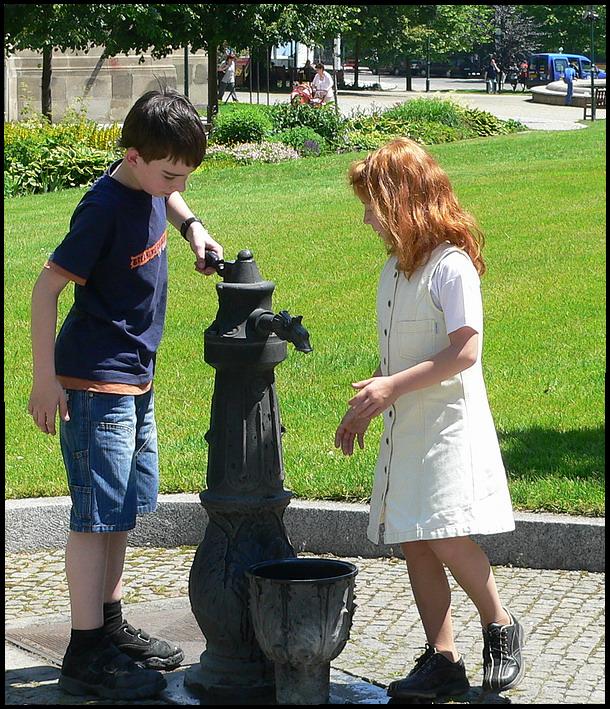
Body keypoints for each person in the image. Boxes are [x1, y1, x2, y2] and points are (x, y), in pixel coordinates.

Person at [27, 88, 224, 701]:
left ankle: (109, 627)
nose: (176, 186)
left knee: (122, 510)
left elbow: (169, 195)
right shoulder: (104, 208)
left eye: (185, 177)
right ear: (133, 157)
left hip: (136, 377)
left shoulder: (150, 186)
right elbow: (45, 289)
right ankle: (85, 651)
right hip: (95, 381)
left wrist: (192, 227)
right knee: (95, 518)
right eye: (169, 176)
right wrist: (44, 378)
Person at [334, 138, 525, 701]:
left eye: (372, 206)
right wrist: (367, 404)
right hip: (406, 427)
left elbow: (465, 351)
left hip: (446, 427)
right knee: (414, 540)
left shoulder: (452, 266)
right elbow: (397, 356)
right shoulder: (395, 270)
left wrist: (391, 387)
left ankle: (499, 624)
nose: (367, 219)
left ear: (403, 201)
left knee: (443, 534)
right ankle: (443, 660)